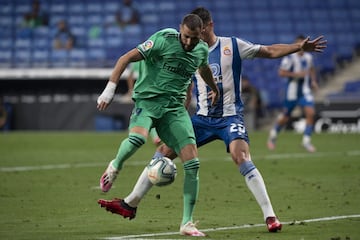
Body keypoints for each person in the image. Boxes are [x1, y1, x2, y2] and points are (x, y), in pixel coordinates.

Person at [103, 7, 327, 236]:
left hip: (229, 117)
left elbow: (269, 51)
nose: (192, 38)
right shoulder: (189, 48)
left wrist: (298, 47)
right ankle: (130, 203)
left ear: (208, 26)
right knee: (164, 152)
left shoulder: (232, 46)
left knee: (240, 156)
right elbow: (186, 78)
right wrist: (185, 100)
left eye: (198, 31)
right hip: (201, 118)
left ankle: (270, 215)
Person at [96, 14, 220, 237]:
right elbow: (124, 59)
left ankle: (187, 223)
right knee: (137, 139)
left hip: (174, 109)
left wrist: (214, 88)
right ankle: (115, 166)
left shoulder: (201, 49)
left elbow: (203, 69)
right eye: (186, 36)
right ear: (180, 29)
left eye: (193, 38)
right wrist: (109, 90)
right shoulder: (163, 39)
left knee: (192, 164)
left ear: (201, 33)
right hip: (149, 101)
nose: (189, 42)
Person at [267, 35, 319, 153]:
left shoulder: (308, 57)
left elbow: (311, 69)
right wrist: (296, 75)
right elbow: (281, 72)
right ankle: (273, 134)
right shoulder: (289, 58)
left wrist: (314, 81)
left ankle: (306, 141)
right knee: (286, 117)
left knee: (310, 113)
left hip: (305, 91)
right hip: (292, 92)